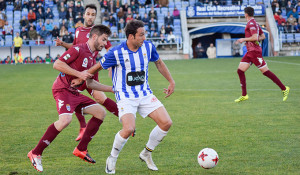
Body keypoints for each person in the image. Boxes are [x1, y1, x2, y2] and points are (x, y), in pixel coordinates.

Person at [73, 19, 175, 174]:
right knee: (128, 128)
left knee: (166, 123)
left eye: (144, 34)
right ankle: (112, 158)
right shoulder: (116, 52)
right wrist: (81, 78)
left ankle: (146, 153)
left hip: (145, 93)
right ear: (131, 36)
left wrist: (171, 81)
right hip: (125, 96)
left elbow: (159, 63)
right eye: (141, 35)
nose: (144, 38)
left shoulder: (148, 47)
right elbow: (97, 67)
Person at [27, 25, 112, 172]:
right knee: (65, 120)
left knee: (100, 112)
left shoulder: (93, 57)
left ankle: (81, 149)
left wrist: (112, 89)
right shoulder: (78, 49)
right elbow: (57, 64)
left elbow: (90, 83)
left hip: (74, 94)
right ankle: (35, 153)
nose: (105, 44)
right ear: (94, 37)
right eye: (104, 40)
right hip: (62, 89)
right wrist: (79, 74)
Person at [54, 4, 120, 142]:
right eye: (88, 14)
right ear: (83, 15)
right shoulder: (78, 31)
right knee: (74, 94)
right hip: (77, 72)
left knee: (101, 99)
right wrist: (63, 44)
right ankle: (83, 127)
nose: (90, 17)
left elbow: (109, 48)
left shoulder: (98, 33)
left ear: (95, 17)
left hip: (90, 72)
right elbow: (75, 46)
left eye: (93, 15)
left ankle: (124, 118)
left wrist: (109, 64)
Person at [235, 7, 290, 102]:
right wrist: (251, 41)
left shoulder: (251, 24)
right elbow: (262, 36)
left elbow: (255, 37)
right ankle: (244, 95)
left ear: (246, 14)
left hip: (254, 52)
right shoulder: (255, 23)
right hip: (250, 52)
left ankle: (284, 89)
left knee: (266, 72)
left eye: (244, 13)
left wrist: (244, 39)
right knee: (240, 70)